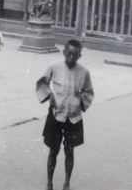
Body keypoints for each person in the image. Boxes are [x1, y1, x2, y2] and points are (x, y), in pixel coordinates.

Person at [36, 40, 94, 190]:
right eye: (69, 53)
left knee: (69, 150)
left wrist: (79, 101)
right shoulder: (54, 67)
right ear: (64, 52)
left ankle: (67, 183)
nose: (71, 57)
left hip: (73, 117)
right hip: (56, 114)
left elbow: (89, 92)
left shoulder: (84, 72)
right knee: (53, 150)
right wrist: (49, 95)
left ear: (79, 55)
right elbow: (42, 83)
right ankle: (49, 183)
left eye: (75, 55)